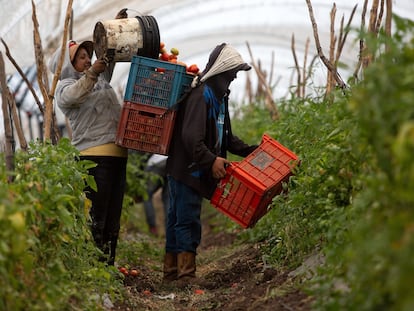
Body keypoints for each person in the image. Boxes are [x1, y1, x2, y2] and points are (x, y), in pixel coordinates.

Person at [163, 43, 258, 288]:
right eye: (233, 72)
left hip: (193, 167)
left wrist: (253, 151)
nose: (236, 76)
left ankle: (172, 273)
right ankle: (184, 276)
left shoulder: (219, 98)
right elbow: (191, 139)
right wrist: (211, 160)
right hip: (187, 169)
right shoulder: (200, 95)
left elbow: (226, 137)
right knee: (185, 219)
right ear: (222, 72)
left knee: (180, 218)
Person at [49, 9, 129, 266]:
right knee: (97, 217)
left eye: (87, 55)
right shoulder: (64, 88)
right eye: (80, 58)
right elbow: (75, 95)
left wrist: (115, 28)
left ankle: (108, 267)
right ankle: (96, 271)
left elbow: (109, 57)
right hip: (93, 158)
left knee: (113, 217)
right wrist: (92, 72)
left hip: (117, 155)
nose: (87, 60)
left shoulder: (100, 79)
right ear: (67, 66)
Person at [143, 154, 169, 236]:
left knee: (146, 195)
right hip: (170, 161)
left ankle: (152, 228)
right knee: (168, 198)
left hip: (155, 164)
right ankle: (169, 230)